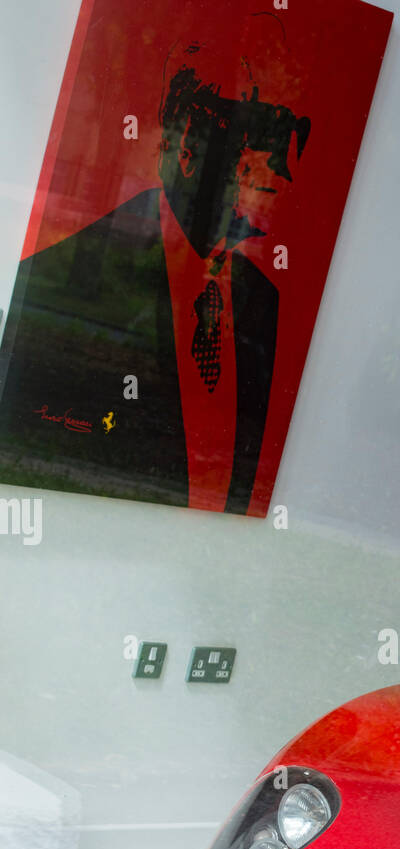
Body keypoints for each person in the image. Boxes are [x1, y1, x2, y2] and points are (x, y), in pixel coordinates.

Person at [0, 13, 309, 513]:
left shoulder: (264, 302)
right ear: (190, 143)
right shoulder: (62, 279)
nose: (284, 172)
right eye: (266, 140)